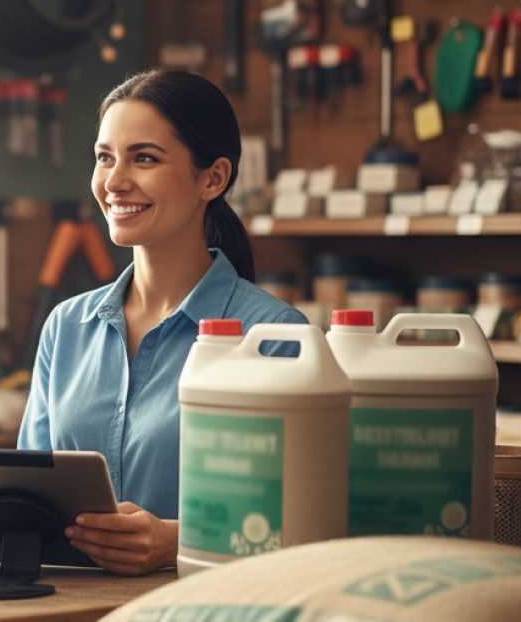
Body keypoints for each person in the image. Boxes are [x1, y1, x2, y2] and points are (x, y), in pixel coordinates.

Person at [16, 69, 308, 576]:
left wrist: (176, 541)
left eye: (144, 158)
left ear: (212, 178)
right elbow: (31, 488)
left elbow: (307, 523)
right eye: (105, 157)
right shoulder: (66, 326)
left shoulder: (275, 338)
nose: (114, 181)